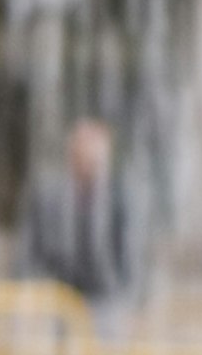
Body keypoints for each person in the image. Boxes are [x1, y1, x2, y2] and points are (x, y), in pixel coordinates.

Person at [23, 110, 130, 302]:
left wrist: (128, 300)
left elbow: (130, 256)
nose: (91, 162)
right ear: (72, 155)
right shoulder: (48, 198)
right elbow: (29, 251)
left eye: (97, 158)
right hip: (58, 296)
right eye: (84, 153)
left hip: (106, 297)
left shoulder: (119, 199)